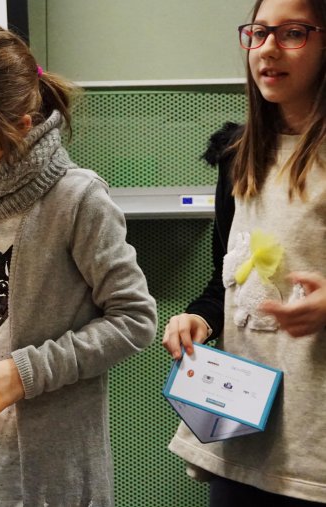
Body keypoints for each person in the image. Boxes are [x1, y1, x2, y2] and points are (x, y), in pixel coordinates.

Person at [0, 21, 157, 507]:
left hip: (56, 477)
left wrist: (26, 372)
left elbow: (135, 320)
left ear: (19, 128)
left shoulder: (77, 199)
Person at [163, 0, 326, 504]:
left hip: (314, 455)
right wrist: (199, 320)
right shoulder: (238, 154)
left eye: (293, 33)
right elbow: (228, 281)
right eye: (258, 33)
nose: (268, 49)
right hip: (243, 441)